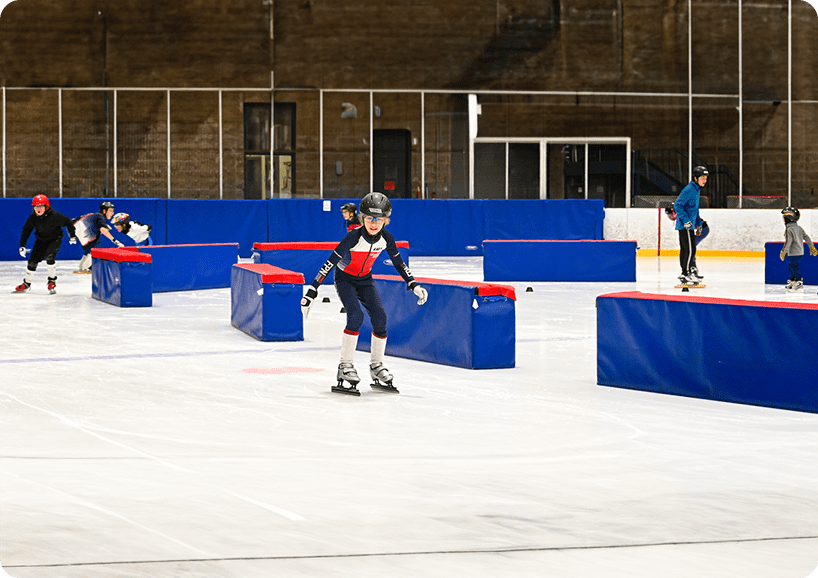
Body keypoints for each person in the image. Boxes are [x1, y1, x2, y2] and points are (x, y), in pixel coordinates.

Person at [301, 192, 428, 395]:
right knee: (356, 316)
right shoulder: (353, 236)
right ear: (362, 218)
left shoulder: (387, 238)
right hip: (345, 280)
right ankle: (345, 366)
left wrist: (413, 284)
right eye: (369, 218)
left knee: (380, 318)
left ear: (386, 220)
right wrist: (313, 289)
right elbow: (330, 262)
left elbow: (399, 263)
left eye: (379, 219)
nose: (374, 223)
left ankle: (377, 366)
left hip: (365, 280)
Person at [14, 194, 78, 294]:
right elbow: (26, 231)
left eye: (40, 207)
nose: (38, 209)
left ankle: (51, 280)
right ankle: (27, 283)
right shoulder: (33, 218)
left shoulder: (55, 216)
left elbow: (68, 222)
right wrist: (22, 245)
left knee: (50, 255)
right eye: (36, 207)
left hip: (55, 239)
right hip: (41, 240)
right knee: (32, 261)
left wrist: (73, 235)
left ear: (46, 207)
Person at [673, 165, 709, 284]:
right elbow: (678, 205)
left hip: (690, 225)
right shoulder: (689, 189)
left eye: (705, 178)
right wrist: (686, 221)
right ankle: (686, 273)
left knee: (689, 249)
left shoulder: (696, 190)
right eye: (702, 178)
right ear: (695, 178)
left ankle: (688, 271)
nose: (705, 181)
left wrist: (698, 223)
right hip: (685, 226)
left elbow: (695, 209)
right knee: (688, 250)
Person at [73, 201, 123, 272]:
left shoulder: (97, 215)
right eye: (110, 211)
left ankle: (83, 265)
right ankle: (86, 266)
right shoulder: (101, 217)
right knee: (96, 242)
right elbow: (103, 230)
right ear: (104, 211)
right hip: (78, 228)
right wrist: (115, 241)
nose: (112, 213)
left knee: (92, 243)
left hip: (75, 228)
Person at [665, 203, 709, 278]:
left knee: (689, 248)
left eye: (671, 215)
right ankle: (692, 267)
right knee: (689, 248)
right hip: (702, 229)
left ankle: (692, 267)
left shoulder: (683, 215)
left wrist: (698, 227)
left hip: (703, 230)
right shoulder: (682, 215)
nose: (671, 217)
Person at [779, 206, 817, 292]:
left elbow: (789, 241)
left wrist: (784, 251)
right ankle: (793, 280)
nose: (783, 220)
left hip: (794, 252)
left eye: (784, 218)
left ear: (788, 218)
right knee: (792, 266)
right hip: (800, 251)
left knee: (794, 267)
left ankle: (799, 281)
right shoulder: (799, 228)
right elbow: (807, 237)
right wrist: (811, 246)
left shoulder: (789, 229)